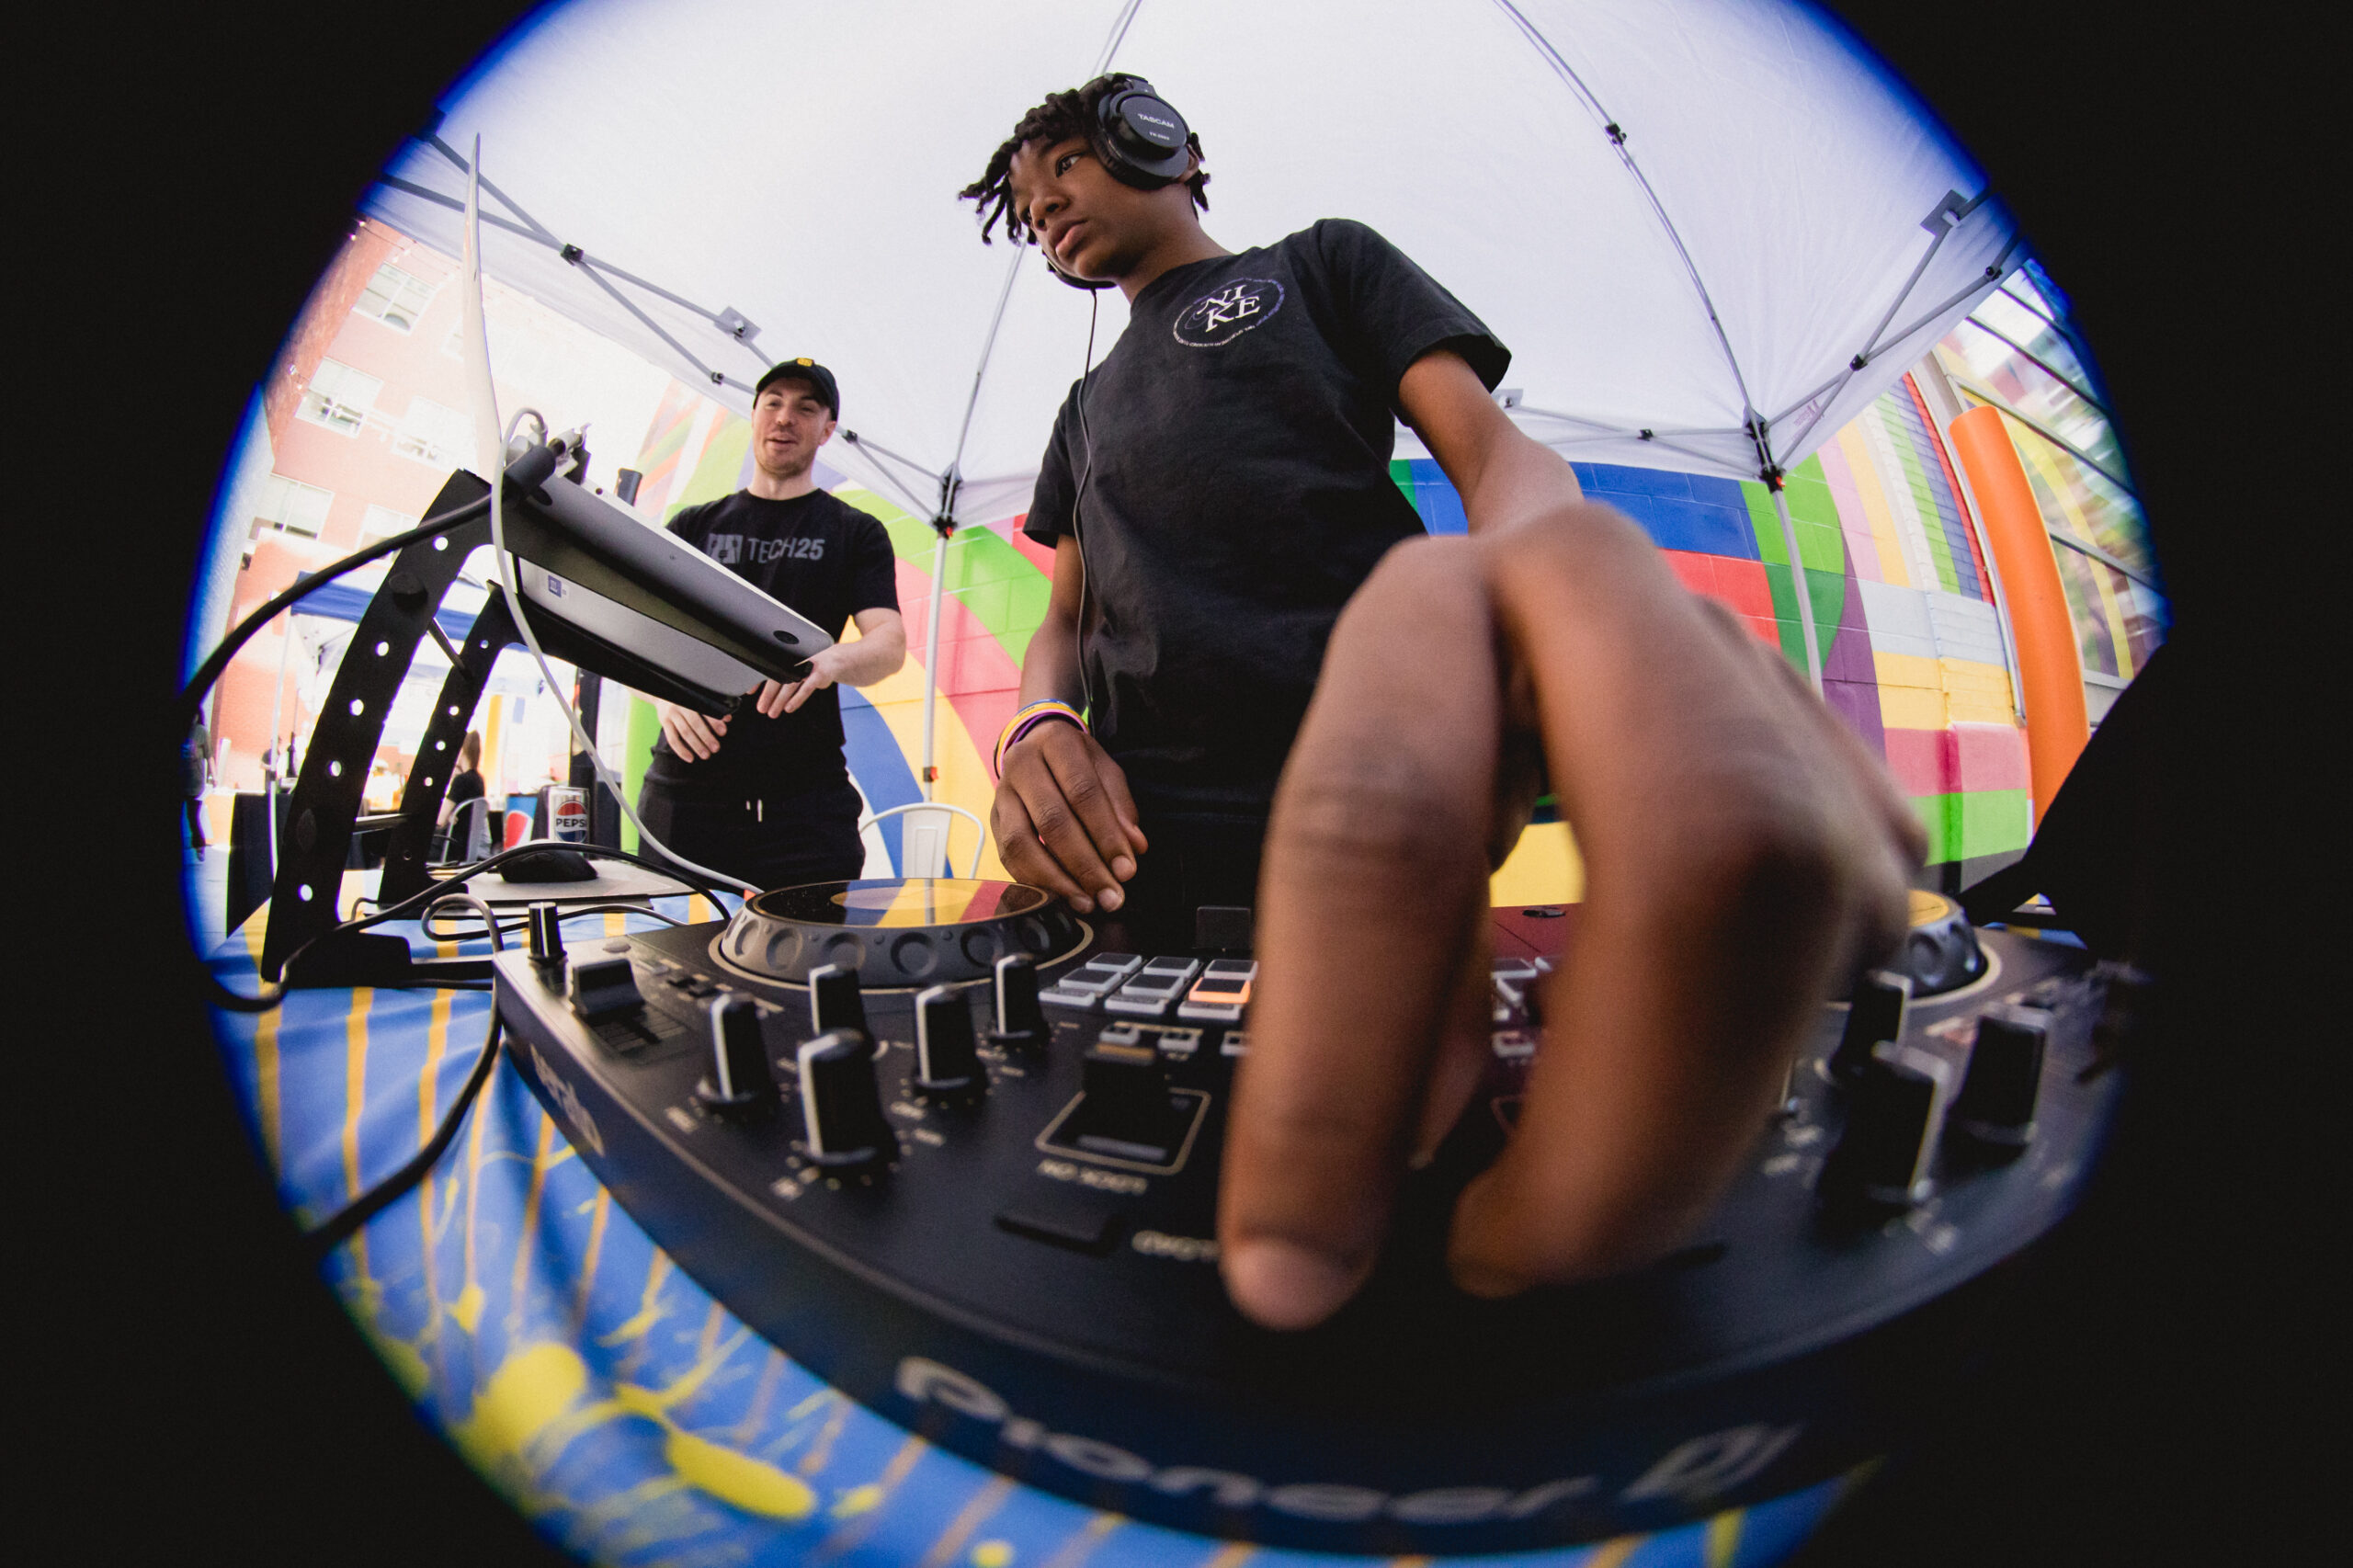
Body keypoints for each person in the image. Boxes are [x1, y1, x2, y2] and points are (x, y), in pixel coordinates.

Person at [963, 76, 1922, 1332]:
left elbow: (1497, 457)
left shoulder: (1322, 266)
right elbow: (1065, 622)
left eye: (1066, 177)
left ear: (1169, 148)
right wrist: (1039, 724)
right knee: (1155, 1228)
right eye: (1028, 217)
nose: (1048, 219)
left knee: (1408, 1177)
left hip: (1383, 823)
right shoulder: (1080, 411)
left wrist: (1534, 577)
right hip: (1146, 859)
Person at [636, 358, 907, 891]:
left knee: (810, 963)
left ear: (827, 430)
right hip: (686, 795)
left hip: (805, 807)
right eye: (773, 403)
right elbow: (635, 635)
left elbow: (890, 645)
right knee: (669, 965)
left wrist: (833, 661)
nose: (786, 418)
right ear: (755, 414)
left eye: (806, 408)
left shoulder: (856, 532)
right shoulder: (692, 526)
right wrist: (664, 697)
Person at [437, 731, 488, 863]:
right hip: (468, 848)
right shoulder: (479, 780)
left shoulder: (461, 781)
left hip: (449, 847)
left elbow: (440, 820)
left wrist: (447, 816)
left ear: (461, 751)